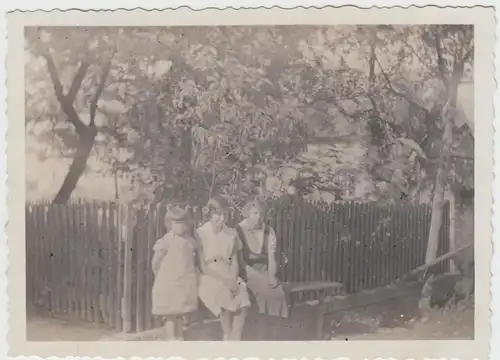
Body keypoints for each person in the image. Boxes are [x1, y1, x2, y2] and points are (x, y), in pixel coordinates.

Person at [196, 196, 251, 341]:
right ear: (210, 214)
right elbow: (203, 266)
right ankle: (227, 335)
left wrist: (233, 279)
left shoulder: (231, 233)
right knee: (224, 293)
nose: (222, 218)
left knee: (242, 293)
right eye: (218, 214)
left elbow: (234, 262)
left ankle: (236, 337)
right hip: (210, 274)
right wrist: (226, 281)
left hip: (229, 272)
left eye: (225, 215)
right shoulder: (201, 234)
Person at [236, 198, 289, 339]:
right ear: (248, 213)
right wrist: (257, 276)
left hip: (264, 269)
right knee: (263, 292)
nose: (258, 217)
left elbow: (272, 258)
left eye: (261, 214)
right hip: (246, 270)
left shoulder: (268, 231)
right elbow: (240, 262)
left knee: (278, 292)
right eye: (254, 213)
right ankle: (260, 334)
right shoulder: (239, 230)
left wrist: (272, 275)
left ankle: (274, 335)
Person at [151, 204, 198, 341]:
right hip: (169, 282)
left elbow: (191, 261)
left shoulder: (189, 241)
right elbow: (156, 262)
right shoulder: (166, 240)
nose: (181, 226)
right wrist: (160, 276)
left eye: (183, 223)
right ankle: (172, 338)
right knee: (171, 313)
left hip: (184, 282)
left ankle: (179, 336)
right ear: (169, 224)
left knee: (179, 311)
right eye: (176, 223)